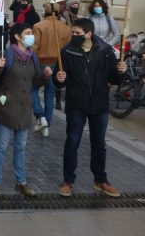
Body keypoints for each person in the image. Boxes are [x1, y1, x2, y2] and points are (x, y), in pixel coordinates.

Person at [54, 18, 126, 198]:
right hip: (76, 104)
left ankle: (100, 180)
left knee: (99, 144)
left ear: (88, 34)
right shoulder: (67, 52)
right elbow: (59, 81)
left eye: (77, 33)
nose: (74, 36)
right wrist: (59, 78)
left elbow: (114, 79)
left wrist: (120, 71)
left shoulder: (105, 51)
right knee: (72, 142)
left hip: (99, 104)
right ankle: (68, 180)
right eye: (73, 33)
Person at [0, 23, 52, 198]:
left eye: (32, 33)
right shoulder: (6, 55)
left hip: (25, 108)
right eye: (28, 33)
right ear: (17, 36)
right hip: (6, 107)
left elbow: (36, 81)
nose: (32, 36)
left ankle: (21, 182)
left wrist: (45, 76)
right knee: (1, 146)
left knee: (21, 147)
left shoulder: (33, 57)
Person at [31, 3, 71, 132]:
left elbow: (34, 47)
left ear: (45, 12)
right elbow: (67, 48)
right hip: (57, 63)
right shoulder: (65, 28)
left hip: (41, 62)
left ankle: (40, 115)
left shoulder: (38, 26)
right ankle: (47, 124)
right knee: (50, 93)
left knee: (33, 89)